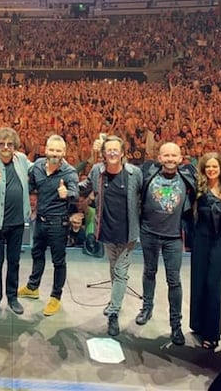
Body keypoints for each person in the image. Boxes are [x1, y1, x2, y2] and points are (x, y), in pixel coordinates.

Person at [79, 135, 142, 337]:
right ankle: (114, 302)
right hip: (106, 229)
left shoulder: (134, 173)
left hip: (128, 233)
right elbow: (84, 188)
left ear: (123, 152)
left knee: (121, 272)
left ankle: (113, 313)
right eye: (109, 150)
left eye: (117, 149)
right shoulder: (98, 171)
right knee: (114, 269)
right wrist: (66, 187)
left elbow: (144, 195)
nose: (113, 153)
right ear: (103, 153)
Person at [136, 142, 197, 346]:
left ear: (181, 158)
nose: (170, 159)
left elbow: (217, 168)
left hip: (173, 237)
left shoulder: (188, 176)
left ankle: (176, 325)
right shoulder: (148, 173)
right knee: (149, 272)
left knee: (174, 281)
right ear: (159, 158)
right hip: (149, 233)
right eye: (166, 155)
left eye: (174, 155)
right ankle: (147, 308)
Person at [19, 134, 78, 317]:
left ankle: (55, 297)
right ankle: (33, 287)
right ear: (45, 150)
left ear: (64, 152)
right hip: (41, 221)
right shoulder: (37, 166)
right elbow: (29, 186)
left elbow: (76, 195)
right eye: (51, 150)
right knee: (37, 254)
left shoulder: (69, 173)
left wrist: (66, 193)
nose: (54, 153)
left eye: (58, 151)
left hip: (58, 224)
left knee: (58, 261)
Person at [0, 127, 31, 317]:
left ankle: (12, 297)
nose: (6, 147)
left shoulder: (22, 160)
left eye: (10, 144)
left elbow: (40, 169)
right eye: (2, 144)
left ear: (14, 146)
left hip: (17, 222)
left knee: (14, 261)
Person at [190, 152, 221, 350]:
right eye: (208, 166)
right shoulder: (198, 187)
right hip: (201, 238)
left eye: (214, 166)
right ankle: (198, 325)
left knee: (213, 284)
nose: (211, 169)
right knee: (198, 281)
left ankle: (212, 333)